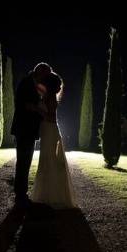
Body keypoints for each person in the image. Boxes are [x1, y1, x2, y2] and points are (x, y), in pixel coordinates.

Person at [31, 71, 78, 209]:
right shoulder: (49, 96)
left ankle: (48, 195)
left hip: (49, 128)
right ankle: (50, 193)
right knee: (48, 159)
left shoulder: (49, 98)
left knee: (48, 159)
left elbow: (49, 115)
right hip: (50, 129)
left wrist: (36, 108)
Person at [11, 62, 51, 208]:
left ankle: (21, 193)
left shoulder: (36, 85)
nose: (45, 79)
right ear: (39, 71)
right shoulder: (26, 82)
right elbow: (22, 104)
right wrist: (39, 110)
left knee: (25, 162)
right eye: (44, 75)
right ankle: (20, 195)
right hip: (23, 128)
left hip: (29, 129)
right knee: (23, 161)